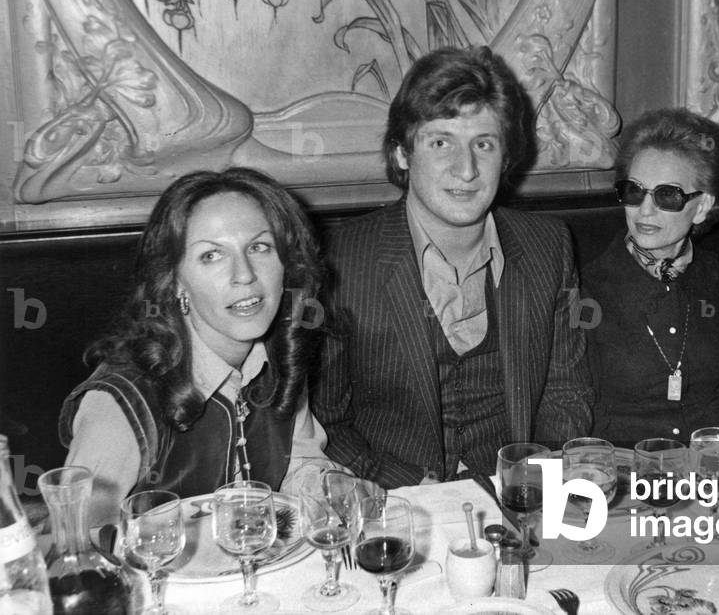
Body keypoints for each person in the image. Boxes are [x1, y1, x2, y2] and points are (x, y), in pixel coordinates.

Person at [314, 45, 593, 488]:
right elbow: (326, 423)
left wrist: (532, 480)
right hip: (397, 502)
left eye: (483, 144)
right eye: (441, 142)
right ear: (403, 153)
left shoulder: (548, 245)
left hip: (520, 493)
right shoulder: (341, 261)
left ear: (506, 159)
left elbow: (566, 393)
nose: (466, 170)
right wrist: (408, 488)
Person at [59, 167, 329, 524]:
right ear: (174, 282)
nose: (245, 274)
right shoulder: (123, 402)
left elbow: (301, 462)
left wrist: (331, 491)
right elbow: (81, 539)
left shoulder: (282, 355)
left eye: (260, 247)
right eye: (211, 256)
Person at [581, 108, 719, 445]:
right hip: (620, 472)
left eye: (668, 195)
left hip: (710, 469)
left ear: (704, 205)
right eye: (634, 191)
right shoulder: (584, 287)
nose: (645, 210)